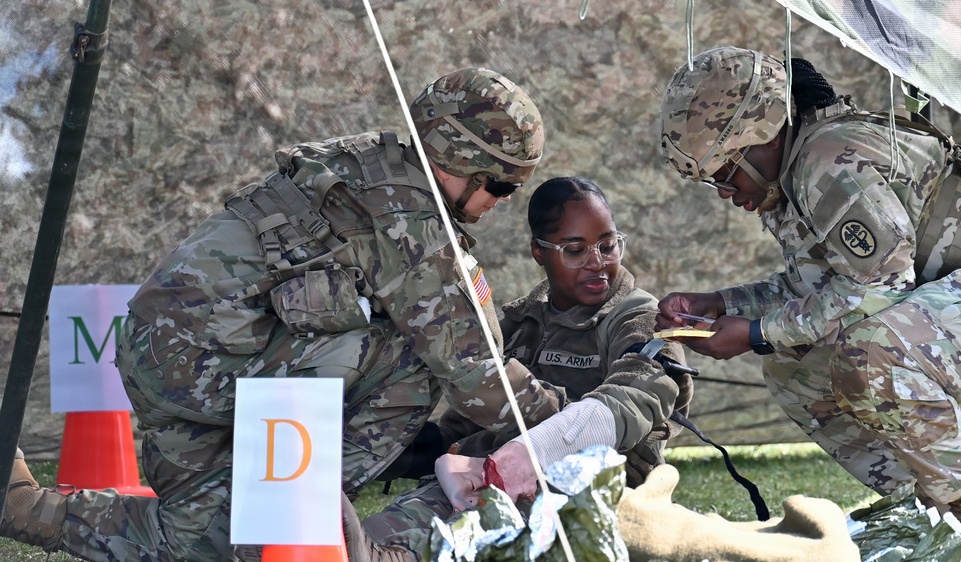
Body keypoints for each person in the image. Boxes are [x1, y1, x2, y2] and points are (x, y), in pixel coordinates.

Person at [0, 67, 563, 562]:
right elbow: (485, 383)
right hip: (212, 375)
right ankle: (298, 502)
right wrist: (576, 424)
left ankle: (22, 507)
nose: (506, 199)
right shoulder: (416, 231)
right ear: (460, 161)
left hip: (167, 366)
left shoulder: (363, 163)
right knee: (418, 351)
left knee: (203, 545)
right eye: (504, 183)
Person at [655, 46, 961, 554]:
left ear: (763, 135)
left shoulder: (829, 160)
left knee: (874, 349)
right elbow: (823, 290)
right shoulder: (796, 172)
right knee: (795, 367)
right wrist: (725, 304)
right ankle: (924, 506)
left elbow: (879, 288)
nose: (725, 191)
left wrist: (755, 333)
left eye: (726, 172)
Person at [360, 176, 694, 557]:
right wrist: (421, 456)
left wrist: (526, 454)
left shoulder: (640, 319)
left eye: (608, 245)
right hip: (487, 480)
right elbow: (463, 426)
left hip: (588, 495)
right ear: (539, 252)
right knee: (374, 540)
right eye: (574, 249)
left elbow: (634, 398)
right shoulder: (517, 324)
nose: (597, 262)